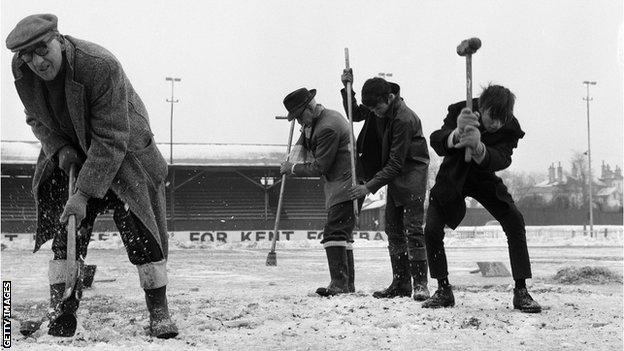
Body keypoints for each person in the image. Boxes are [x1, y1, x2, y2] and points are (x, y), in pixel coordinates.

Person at [6, 14, 178, 337]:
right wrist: (58, 148)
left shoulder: (99, 65)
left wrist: (83, 194)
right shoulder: (22, 73)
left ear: (58, 38)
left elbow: (112, 139)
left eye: (42, 49)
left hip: (124, 149)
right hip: (72, 147)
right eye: (27, 55)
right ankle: (62, 309)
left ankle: (159, 309)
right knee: (66, 225)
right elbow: (35, 118)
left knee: (139, 227)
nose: (38, 62)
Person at [422, 84, 542, 313]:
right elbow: (437, 140)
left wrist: (479, 147)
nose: (496, 123)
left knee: (514, 220)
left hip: (483, 176)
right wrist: (456, 135)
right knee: (432, 230)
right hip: (453, 175)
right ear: (482, 106)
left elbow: (502, 159)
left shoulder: (510, 127)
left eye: (502, 118)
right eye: (492, 117)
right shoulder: (462, 110)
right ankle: (443, 289)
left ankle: (521, 290)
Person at [341, 72, 430, 301]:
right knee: (392, 229)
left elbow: (396, 163)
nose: (374, 113)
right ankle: (400, 283)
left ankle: (420, 284)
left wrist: (367, 187)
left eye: (377, 108)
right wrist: (347, 88)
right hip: (393, 175)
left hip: (412, 174)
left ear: (389, 97)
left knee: (413, 229)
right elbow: (355, 114)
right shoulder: (378, 109)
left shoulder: (403, 119)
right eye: (371, 109)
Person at [280, 87, 358, 296]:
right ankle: (346, 285)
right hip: (339, 183)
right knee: (342, 234)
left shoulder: (328, 127)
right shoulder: (316, 122)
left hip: (346, 184)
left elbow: (319, 167)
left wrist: (292, 168)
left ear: (308, 108)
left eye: (298, 116)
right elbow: (305, 143)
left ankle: (340, 284)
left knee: (334, 232)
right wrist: (297, 148)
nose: (298, 122)